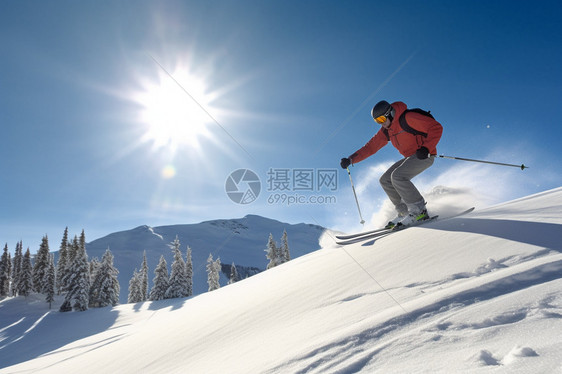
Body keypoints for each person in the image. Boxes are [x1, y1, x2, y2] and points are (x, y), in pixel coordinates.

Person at [340, 100, 443, 229]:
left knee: (397, 176)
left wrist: (426, 148)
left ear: (390, 113)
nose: (381, 123)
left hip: (424, 155)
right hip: (410, 157)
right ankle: (404, 212)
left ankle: (419, 212)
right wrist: (351, 160)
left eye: (382, 118)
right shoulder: (387, 130)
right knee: (385, 180)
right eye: (377, 121)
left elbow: (435, 127)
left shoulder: (408, 118)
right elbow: (371, 147)